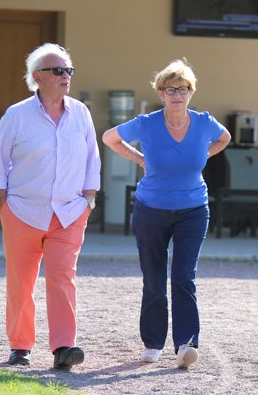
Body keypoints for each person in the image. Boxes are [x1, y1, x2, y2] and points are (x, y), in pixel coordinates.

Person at [102, 59, 230, 369]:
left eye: (183, 89)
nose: (177, 95)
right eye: (170, 89)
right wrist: (139, 158)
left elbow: (224, 138)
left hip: (193, 209)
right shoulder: (147, 123)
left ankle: (186, 344)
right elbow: (109, 138)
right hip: (151, 210)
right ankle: (153, 343)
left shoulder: (203, 122)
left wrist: (205, 152)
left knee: (184, 276)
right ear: (160, 93)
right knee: (154, 279)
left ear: (191, 92)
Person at [0, 43, 101, 370]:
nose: (66, 76)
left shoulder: (81, 113)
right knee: (20, 283)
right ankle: (20, 346)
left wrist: (88, 201)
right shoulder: (16, 115)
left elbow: (92, 159)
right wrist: (4, 208)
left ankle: (64, 348)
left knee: (63, 280)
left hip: (69, 213)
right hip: (22, 213)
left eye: (69, 70)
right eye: (58, 70)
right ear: (37, 76)